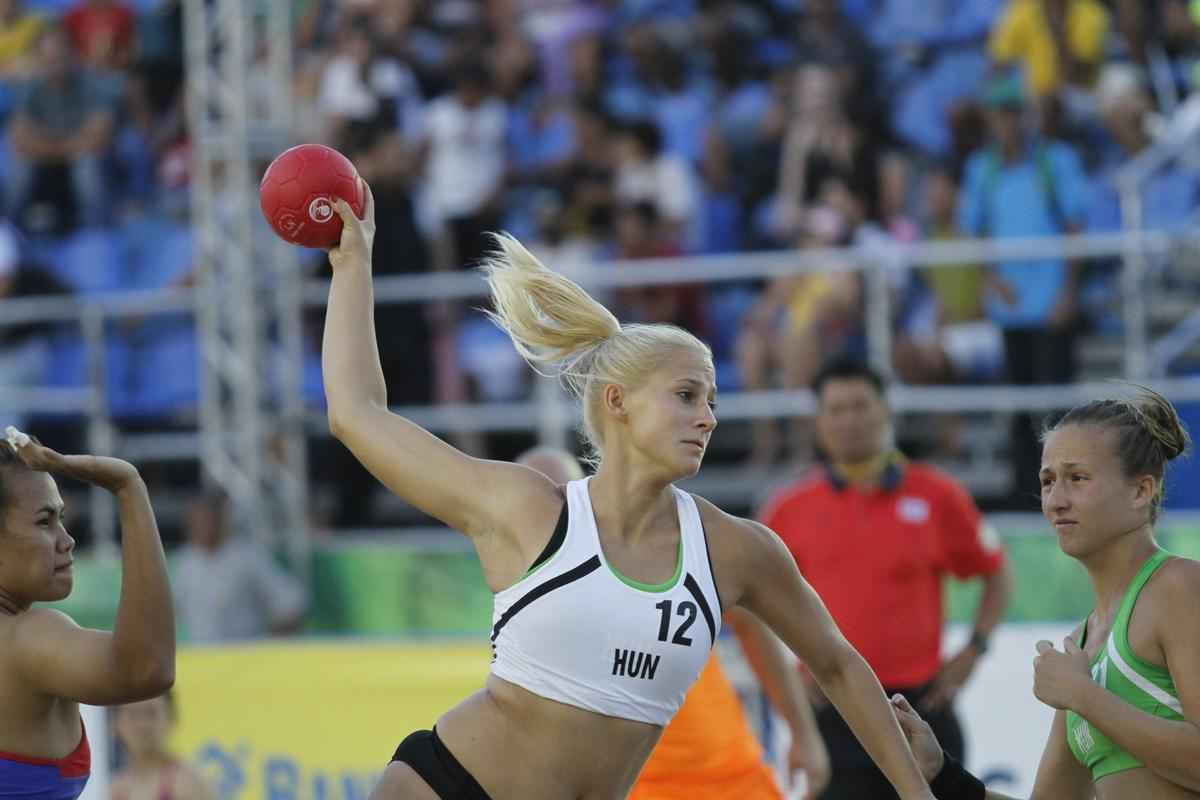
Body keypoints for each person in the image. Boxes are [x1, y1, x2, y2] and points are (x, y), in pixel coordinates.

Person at [320, 186, 935, 800]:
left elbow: (837, 665)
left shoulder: (735, 549)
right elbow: (357, 413)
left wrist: (918, 795)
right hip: (450, 786)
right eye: (687, 395)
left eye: (713, 402)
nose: (708, 419)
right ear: (617, 402)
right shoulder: (528, 510)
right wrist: (354, 265)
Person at [891, 389, 1200, 800]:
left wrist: (1084, 696)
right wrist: (942, 774)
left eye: (1077, 478)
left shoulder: (1178, 587)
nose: (1055, 501)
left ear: (1141, 491)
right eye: (1048, 481)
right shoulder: (1081, 645)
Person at [758, 356, 1012, 800]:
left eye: (861, 406)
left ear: (886, 411)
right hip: (833, 712)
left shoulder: (937, 495)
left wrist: (975, 649)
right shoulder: (789, 508)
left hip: (922, 710)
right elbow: (750, 603)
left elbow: (997, 573)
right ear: (818, 422)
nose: (850, 421)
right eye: (836, 410)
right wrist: (793, 678)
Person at [513, 446, 832, 800]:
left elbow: (749, 621)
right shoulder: (520, 602)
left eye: (564, 493)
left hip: (731, 776)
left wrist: (803, 733)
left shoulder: (655, 552)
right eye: (541, 500)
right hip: (632, 788)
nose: (557, 511)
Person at [0, 427, 174, 800]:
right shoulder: (26, 640)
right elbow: (148, 669)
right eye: (45, 522)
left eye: (61, 518)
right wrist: (128, 488)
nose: (67, 540)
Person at [173, 489, 306, 643]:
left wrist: (266, 646)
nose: (200, 525)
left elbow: (292, 604)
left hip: (243, 661)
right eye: (194, 520)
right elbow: (172, 612)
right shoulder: (186, 562)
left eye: (205, 518)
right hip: (202, 661)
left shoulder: (248, 557)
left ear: (220, 519)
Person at [111, 691, 214, 800]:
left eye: (151, 713)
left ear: (171, 718)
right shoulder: (112, 788)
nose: (142, 724)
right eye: (133, 715)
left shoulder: (189, 784)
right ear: (116, 723)